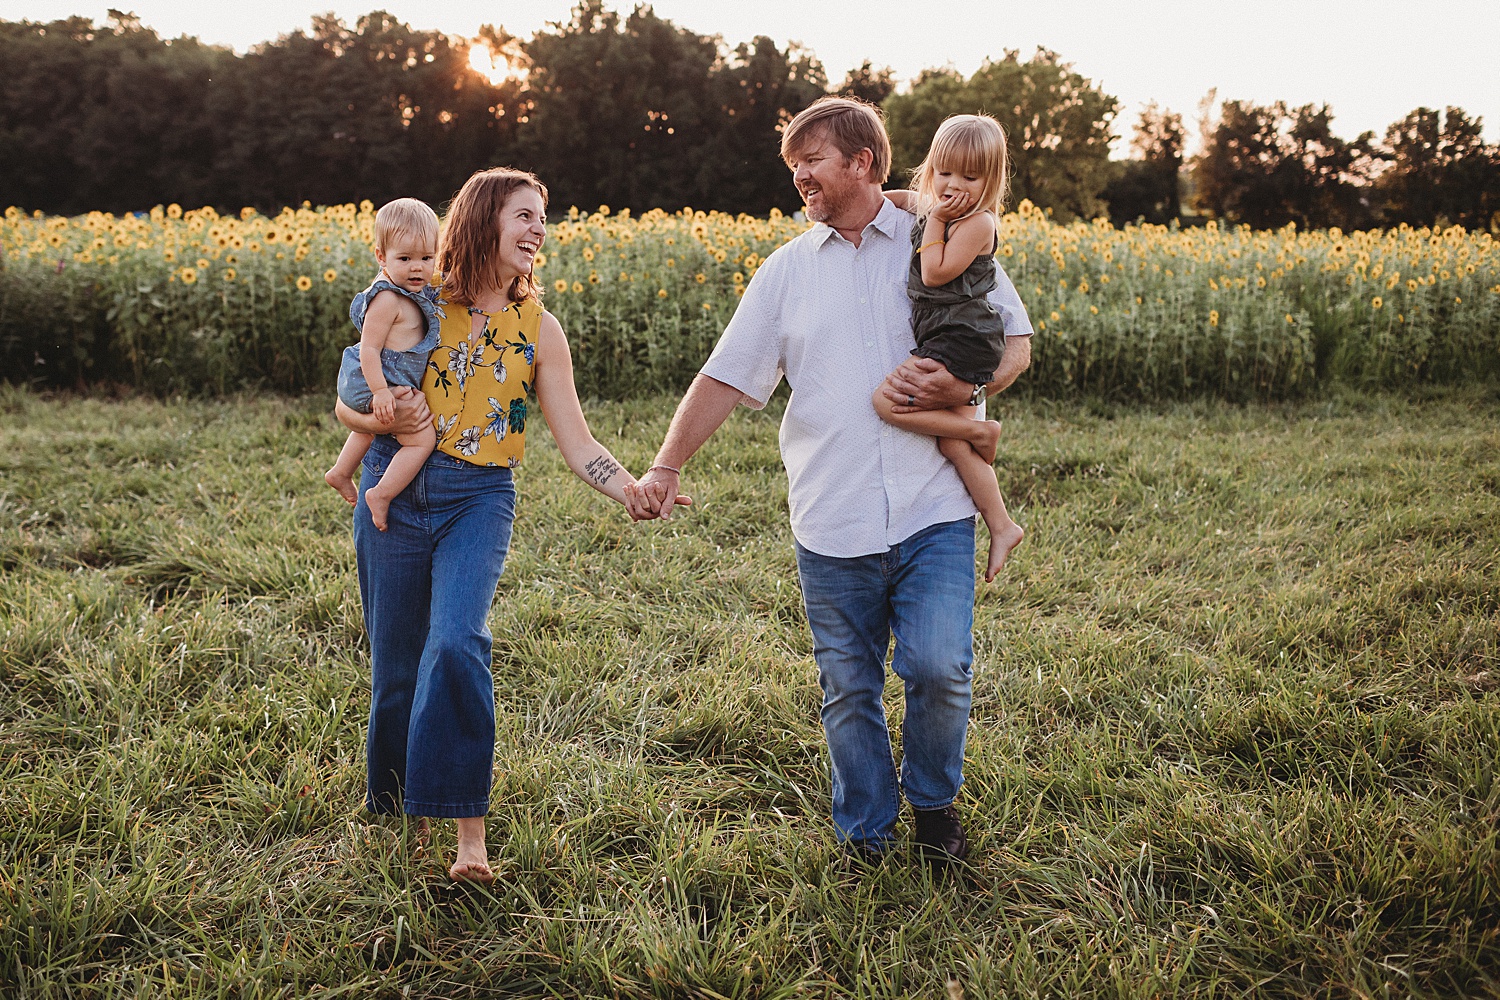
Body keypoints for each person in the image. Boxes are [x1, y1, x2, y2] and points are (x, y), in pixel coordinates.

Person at [626, 96, 1033, 867]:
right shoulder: (785, 272)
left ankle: (935, 810)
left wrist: (967, 390)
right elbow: (723, 377)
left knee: (940, 670)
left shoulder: (933, 235)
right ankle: (867, 833)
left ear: (862, 163)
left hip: (932, 508)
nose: (799, 178)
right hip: (830, 515)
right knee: (849, 690)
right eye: (792, 167)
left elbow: (1015, 339)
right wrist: (666, 464)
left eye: (809, 161)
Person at [335, 167, 688, 883]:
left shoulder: (539, 329)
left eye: (543, 219)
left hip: (479, 497)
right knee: (396, 663)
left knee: (459, 643)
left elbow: (578, 442)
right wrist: (375, 416)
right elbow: (346, 401)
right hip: (393, 490)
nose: (538, 231)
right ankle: (396, 804)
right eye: (524, 216)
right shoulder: (420, 299)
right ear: (482, 222)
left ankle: (470, 838)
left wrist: (630, 490)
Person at [876, 114, 1024, 583]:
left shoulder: (978, 223)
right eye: (944, 172)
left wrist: (936, 216)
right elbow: (898, 200)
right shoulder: (934, 205)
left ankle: (985, 434)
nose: (952, 185)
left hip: (963, 335)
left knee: (886, 403)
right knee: (951, 442)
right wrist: (871, 201)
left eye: (969, 176)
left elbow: (936, 272)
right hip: (946, 332)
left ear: (990, 180)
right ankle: (1002, 524)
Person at [325, 198, 441, 532]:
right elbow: (369, 349)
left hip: (381, 378)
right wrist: (380, 391)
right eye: (405, 258)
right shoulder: (388, 298)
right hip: (371, 377)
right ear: (381, 257)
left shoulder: (411, 289)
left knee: (367, 427)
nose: (417, 268)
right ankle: (381, 494)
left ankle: (341, 471)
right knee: (421, 440)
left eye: (426, 258)